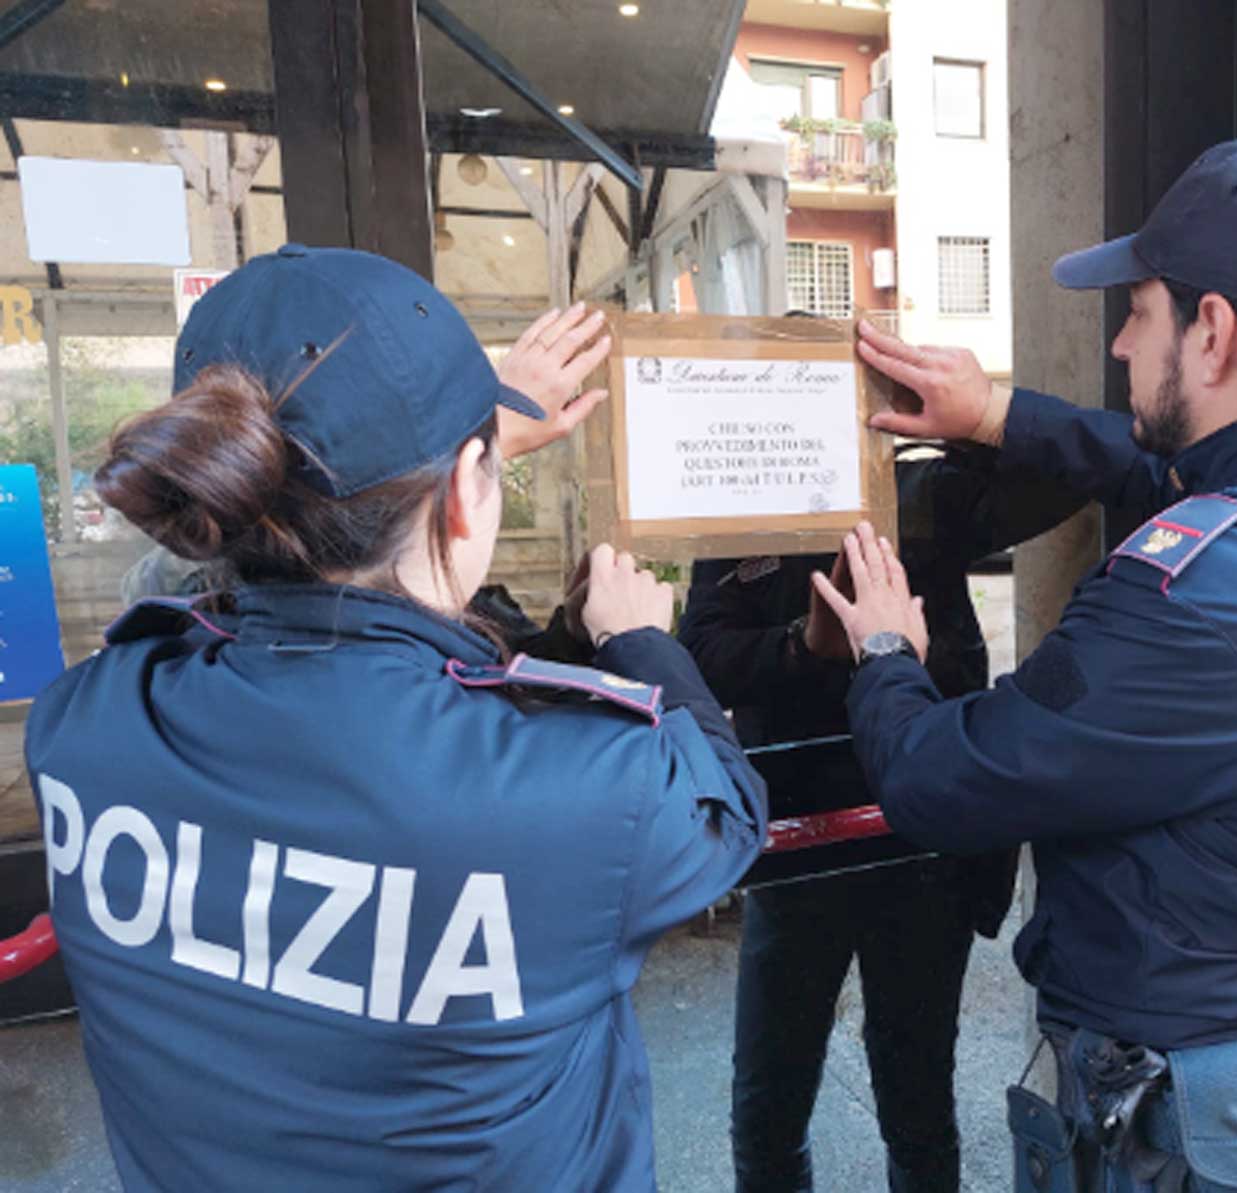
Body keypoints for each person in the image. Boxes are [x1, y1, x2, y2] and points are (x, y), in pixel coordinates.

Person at [810, 136, 1237, 1193]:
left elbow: (939, 780)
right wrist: (995, 413)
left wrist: (886, 645)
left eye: (1137, 310)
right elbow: (1179, 465)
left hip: (1198, 1143)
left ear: (1212, 331)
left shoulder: (1195, 605)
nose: (1121, 344)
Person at [25, 245, 767, 1193]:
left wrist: (436, 452)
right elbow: (724, 807)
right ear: (468, 488)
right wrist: (636, 638)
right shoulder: (583, 794)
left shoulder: (85, 725)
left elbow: (225, 589)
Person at [679, 430, 1081, 1192]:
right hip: (796, 848)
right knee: (767, 1105)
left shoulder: (921, 493)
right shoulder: (736, 510)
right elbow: (696, 653)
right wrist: (805, 645)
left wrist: (966, 423)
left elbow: (1056, 480)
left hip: (921, 847)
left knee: (917, 1097)